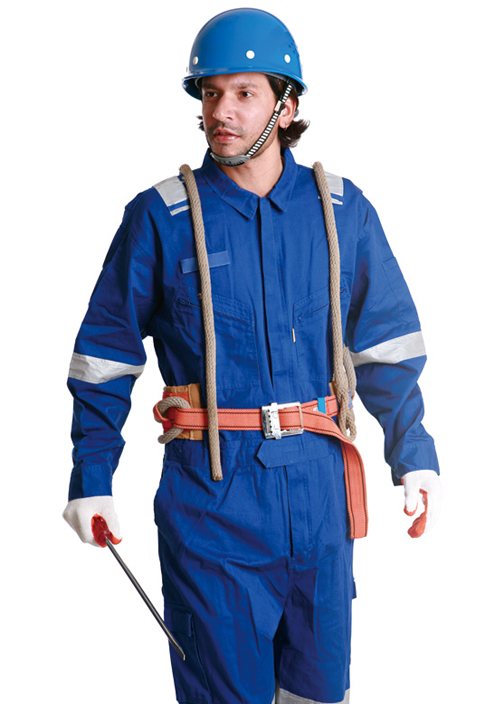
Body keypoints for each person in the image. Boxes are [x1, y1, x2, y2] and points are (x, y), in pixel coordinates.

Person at [63, 8, 442, 704]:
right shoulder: (161, 218)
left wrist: (413, 453)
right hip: (213, 507)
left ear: (286, 106)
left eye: (243, 93)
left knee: (318, 696)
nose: (221, 112)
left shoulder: (341, 211)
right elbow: (104, 357)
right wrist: (92, 476)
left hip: (321, 503)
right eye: (210, 93)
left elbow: (387, 346)